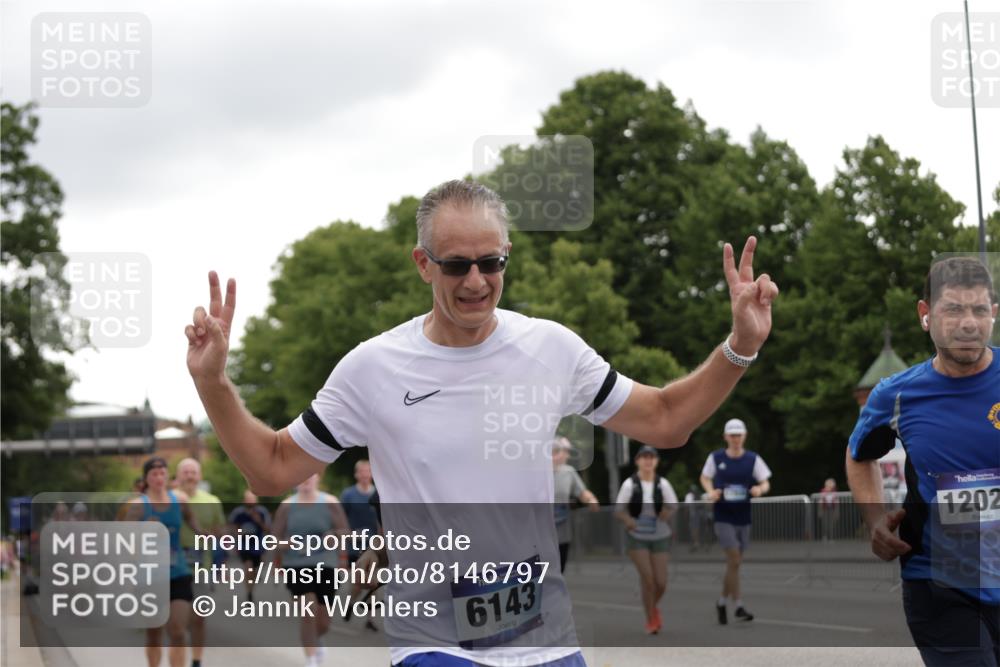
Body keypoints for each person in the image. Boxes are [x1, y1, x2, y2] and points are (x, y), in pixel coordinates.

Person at [185, 179, 779, 667]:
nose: (476, 281)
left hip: (545, 635)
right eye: (456, 265)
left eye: (491, 262)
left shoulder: (550, 348)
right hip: (434, 642)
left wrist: (739, 346)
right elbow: (272, 467)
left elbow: (667, 420)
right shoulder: (373, 368)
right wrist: (213, 382)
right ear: (423, 264)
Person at [845, 256, 998, 666]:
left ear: (994, 313)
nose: (968, 322)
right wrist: (875, 519)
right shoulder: (896, 396)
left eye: (979, 309)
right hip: (939, 584)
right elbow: (859, 455)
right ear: (925, 314)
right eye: (953, 309)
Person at [122, 457, 201, 667]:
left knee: (177, 630)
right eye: (154, 474)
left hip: (178, 572)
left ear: (168, 476)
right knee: (154, 634)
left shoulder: (180, 501)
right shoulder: (138, 507)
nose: (158, 477)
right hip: (149, 578)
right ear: (146, 478)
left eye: (162, 473)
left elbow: (197, 528)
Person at [270, 473, 349, 667]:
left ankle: (316, 640)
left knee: (323, 622)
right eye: (301, 477)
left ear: (317, 478)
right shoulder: (287, 506)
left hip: (326, 564)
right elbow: (273, 539)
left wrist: (334, 537)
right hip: (296, 565)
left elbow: (345, 532)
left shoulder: (330, 502)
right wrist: (284, 545)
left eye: (309, 477)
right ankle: (311, 660)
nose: (305, 480)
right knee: (308, 611)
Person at [700, 418, 772, 625]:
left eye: (739, 435)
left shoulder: (752, 459)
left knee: (734, 564)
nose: (736, 439)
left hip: (744, 515)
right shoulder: (716, 458)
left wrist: (760, 489)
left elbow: (765, 481)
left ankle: (723, 601)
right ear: (725, 437)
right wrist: (710, 491)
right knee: (734, 559)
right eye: (732, 435)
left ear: (744, 436)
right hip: (723, 515)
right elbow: (705, 477)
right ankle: (738, 604)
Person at [614, 445, 678, 634]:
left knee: (661, 582)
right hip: (637, 535)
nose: (648, 461)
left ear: (656, 461)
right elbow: (618, 510)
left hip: (660, 534)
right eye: (644, 457)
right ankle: (651, 619)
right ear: (638, 461)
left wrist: (667, 512)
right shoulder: (630, 484)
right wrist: (628, 521)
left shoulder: (662, 483)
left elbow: (674, 505)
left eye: (652, 457)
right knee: (648, 579)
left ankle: (651, 607)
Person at [176, 458, 226, 667]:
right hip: (173, 567)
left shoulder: (212, 501)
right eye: (185, 472)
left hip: (201, 566)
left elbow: (220, 532)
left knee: (198, 618)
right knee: (177, 621)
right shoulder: (169, 500)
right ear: (178, 476)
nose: (189, 476)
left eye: (193, 472)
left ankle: (196, 661)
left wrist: (213, 537)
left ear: (200, 476)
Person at [552, 437, 599, 573]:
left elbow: (581, 492)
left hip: (562, 531)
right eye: (565, 451)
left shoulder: (569, 472)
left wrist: (591, 499)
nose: (567, 455)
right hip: (540, 533)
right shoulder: (537, 472)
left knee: (559, 572)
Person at [227, 488, 271, 602]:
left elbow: (268, 529)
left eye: (253, 499)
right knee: (248, 568)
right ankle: (249, 594)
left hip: (258, 545)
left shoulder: (262, 512)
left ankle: (251, 588)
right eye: (248, 499)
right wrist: (238, 533)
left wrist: (258, 521)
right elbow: (232, 526)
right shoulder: (238, 512)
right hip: (244, 544)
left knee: (254, 571)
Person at [683, 484, 705, 551]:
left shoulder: (689, 496)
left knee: (693, 528)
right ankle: (698, 542)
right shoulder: (700, 495)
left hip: (693, 514)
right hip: (700, 514)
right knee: (697, 528)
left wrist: (685, 515)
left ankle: (695, 542)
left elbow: (687, 506)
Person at [817, 478, 839, 542]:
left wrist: (836, 512)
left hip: (832, 509)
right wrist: (820, 511)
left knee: (831, 524)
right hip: (824, 509)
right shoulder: (823, 491)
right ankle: (825, 537)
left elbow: (836, 501)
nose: (832, 486)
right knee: (825, 523)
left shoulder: (834, 492)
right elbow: (820, 502)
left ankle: (831, 537)